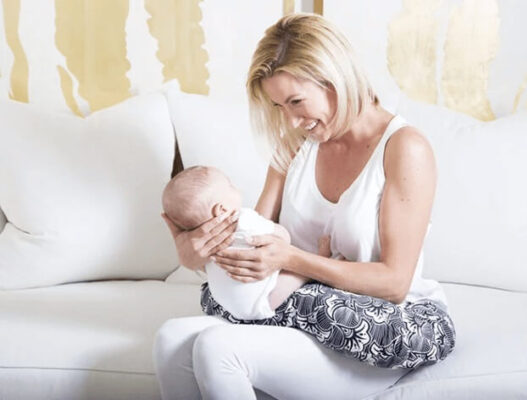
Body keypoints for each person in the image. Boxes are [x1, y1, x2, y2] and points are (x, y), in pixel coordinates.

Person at [153, 13, 456, 400]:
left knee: (218, 349)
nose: (292, 119)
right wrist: (193, 254)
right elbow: (253, 240)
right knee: (169, 339)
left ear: (335, 78)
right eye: (280, 106)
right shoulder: (294, 145)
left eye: (296, 101)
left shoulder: (403, 148)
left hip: (378, 327)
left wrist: (294, 260)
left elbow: (395, 283)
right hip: (304, 315)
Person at [161, 165, 307, 319]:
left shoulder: (205, 243)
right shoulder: (245, 219)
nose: (235, 187)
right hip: (261, 302)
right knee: (295, 274)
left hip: (226, 306)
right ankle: (315, 265)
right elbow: (283, 237)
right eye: (230, 185)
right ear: (222, 210)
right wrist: (283, 234)